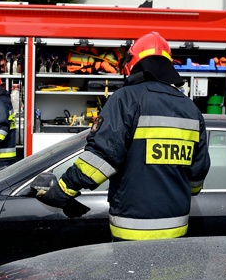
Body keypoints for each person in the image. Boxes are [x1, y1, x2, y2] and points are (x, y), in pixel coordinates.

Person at [36, 31, 210, 241]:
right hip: (177, 230)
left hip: (131, 231)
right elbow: (197, 177)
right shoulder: (191, 109)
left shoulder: (125, 99)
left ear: (134, 61)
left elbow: (102, 157)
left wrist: (64, 190)